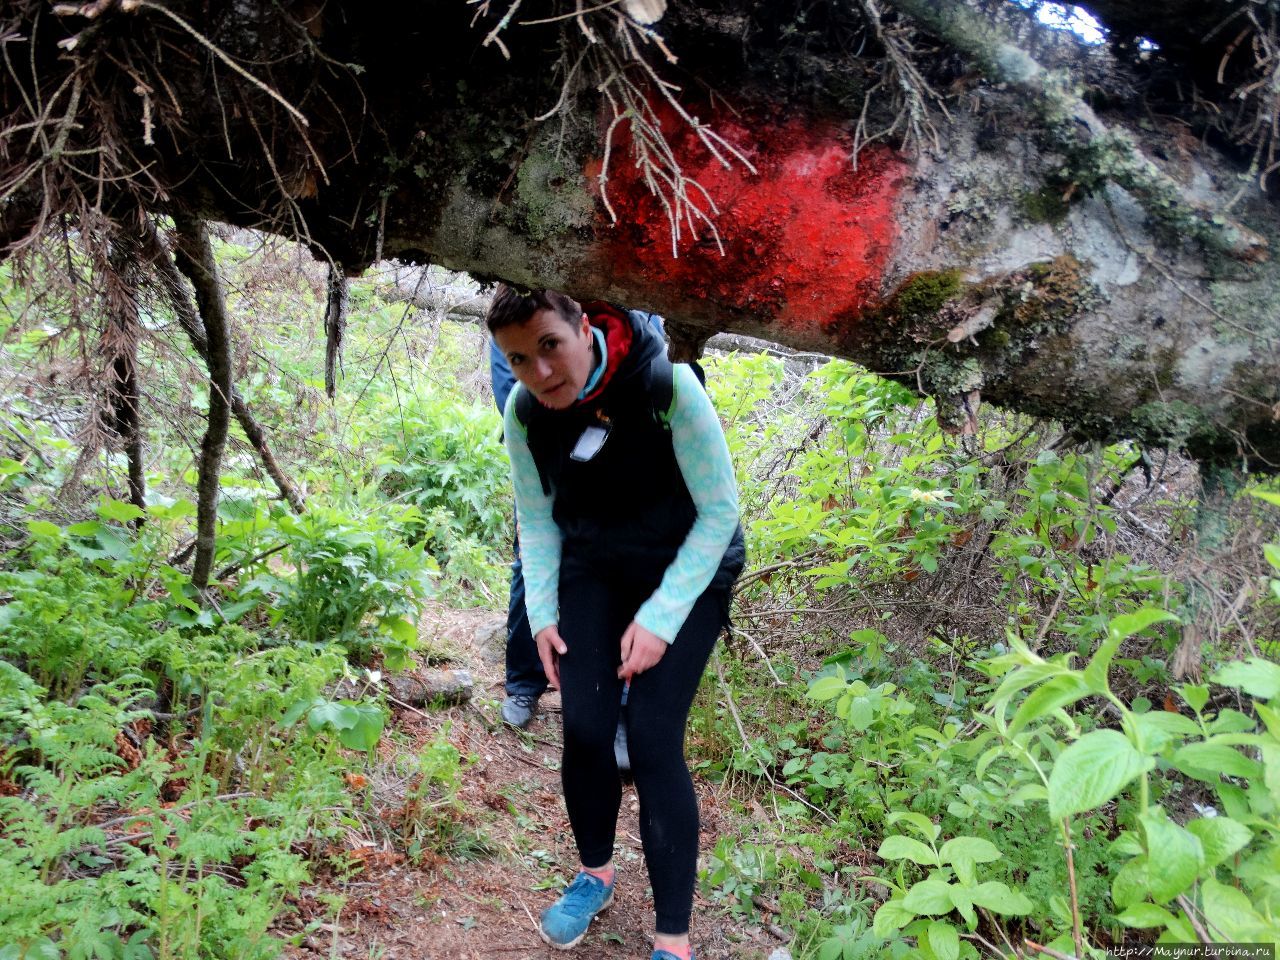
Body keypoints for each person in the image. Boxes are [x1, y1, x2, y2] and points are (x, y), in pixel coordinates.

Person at [487, 286, 744, 960]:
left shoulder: (667, 386)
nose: (539, 373)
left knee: (654, 739)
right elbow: (536, 518)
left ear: (584, 324)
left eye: (549, 346)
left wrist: (660, 619)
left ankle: (673, 942)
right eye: (517, 359)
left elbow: (721, 513)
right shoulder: (526, 411)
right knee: (588, 726)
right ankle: (595, 874)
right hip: (594, 563)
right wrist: (542, 615)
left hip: (687, 564)